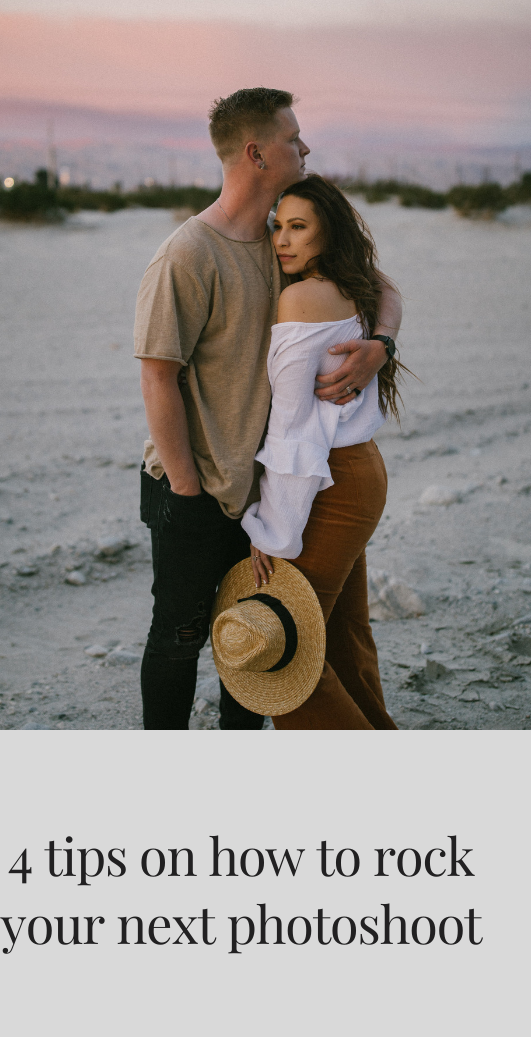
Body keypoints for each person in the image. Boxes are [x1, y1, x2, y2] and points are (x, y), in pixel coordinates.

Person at [134, 87, 402, 731]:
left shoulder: (285, 239)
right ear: (256, 152)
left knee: (260, 642)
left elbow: (380, 283)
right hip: (199, 487)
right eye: (292, 137)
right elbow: (157, 380)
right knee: (183, 638)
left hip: (272, 485)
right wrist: (191, 489)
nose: (304, 146)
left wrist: (379, 345)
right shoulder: (188, 255)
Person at [242, 174, 404, 730]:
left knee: (286, 651)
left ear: (326, 233)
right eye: (277, 227)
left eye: (298, 227)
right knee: (340, 635)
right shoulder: (351, 282)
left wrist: (272, 532)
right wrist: (383, 342)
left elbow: (291, 432)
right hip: (360, 472)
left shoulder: (300, 296)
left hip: (327, 482)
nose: (282, 240)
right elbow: (391, 290)